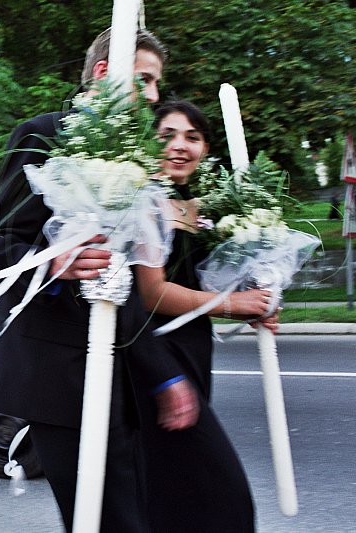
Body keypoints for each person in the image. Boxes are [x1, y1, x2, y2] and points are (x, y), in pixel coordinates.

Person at [0, 28, 190, 533]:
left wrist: (163, 374)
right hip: (56, 371)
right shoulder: (44, 136)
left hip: (121, 373)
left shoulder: (141, 161)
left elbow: (134, 281)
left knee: (130, 514)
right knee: (105, 520)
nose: (155, 95)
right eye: (145, 80)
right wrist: (52, 261)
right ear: (103, 74)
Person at [132, 99, 278, 532]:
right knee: (225, 501)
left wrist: (256, 302)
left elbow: (204, 286)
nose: (180, 145)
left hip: (193, 359)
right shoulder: (145, 201)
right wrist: (233, 304)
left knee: (176, 500)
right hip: (157, 362)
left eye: (192, 137)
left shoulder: (194, 208)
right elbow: (152, 293)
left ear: (205, 149)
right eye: (167, 135)